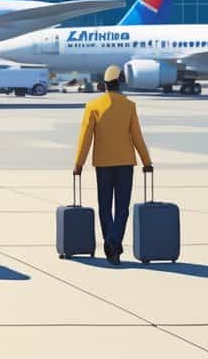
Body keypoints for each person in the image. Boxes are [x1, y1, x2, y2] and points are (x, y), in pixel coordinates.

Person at [74, 64, 153, 265]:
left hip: (103, 163)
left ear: (104, 85)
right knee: (122, 208)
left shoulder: (93, 106)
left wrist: (79, 163)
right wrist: (146, 162)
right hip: (126, 163)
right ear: (120, 84)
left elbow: (85, 138)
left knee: (104, 207)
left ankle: (110, 245)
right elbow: (137, 137)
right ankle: (114, 243)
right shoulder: (129, 106)